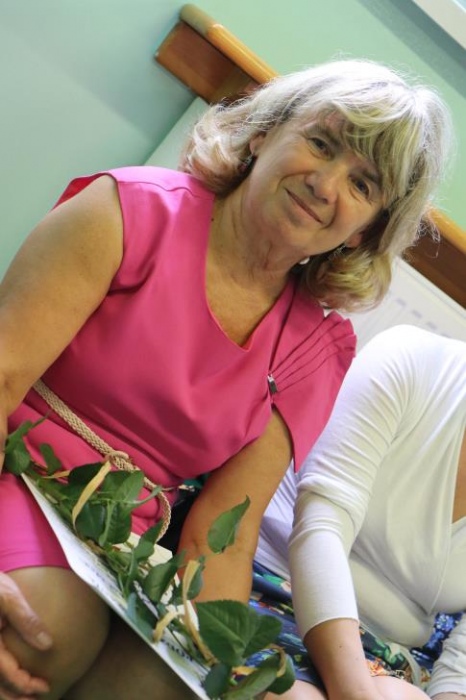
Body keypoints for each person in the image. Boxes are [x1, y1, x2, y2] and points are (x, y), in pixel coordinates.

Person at [0, 57, 452, 700]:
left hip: (122, 548)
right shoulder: (128, 210)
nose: (325, 185)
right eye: (321, 144)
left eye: (363, 183)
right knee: (42, 628)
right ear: (264, 132)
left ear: (366, 231)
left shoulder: (317, 349)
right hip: (16, 474)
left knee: (162, 686)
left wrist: (218, 669)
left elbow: (225, 535)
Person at [254, 324, 466, 700]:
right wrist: (355, 693)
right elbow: (321, 524)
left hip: (385, 649)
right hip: (276, 581)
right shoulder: (412, 358)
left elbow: (460, 667)